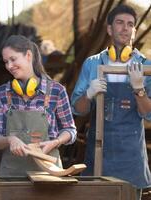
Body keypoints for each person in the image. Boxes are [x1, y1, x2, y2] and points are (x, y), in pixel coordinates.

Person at [71, 4, 151, 199]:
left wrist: (139, 89)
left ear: (134, 31)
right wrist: (89, 94)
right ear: (109, 29)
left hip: (131, 158)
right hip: (99, 156)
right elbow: (77, 109)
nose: (125, 28)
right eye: (120, 23)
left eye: (130, 24)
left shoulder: (145, 66)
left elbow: (148, 114)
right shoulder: (93, 64)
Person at [0, 35, 77, 176]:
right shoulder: (1, 93)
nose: (9, 66)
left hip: (49, 174)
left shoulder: (56, 91)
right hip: (12, 176)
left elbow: (70, 130)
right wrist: (9, 140)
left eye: (13, 59)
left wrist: (55, 142)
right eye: (6, 62)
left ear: (28, 55)